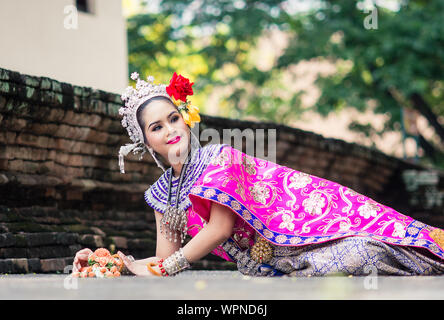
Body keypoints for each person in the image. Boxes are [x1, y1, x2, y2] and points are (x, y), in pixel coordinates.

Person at [73, 71, 444, 277]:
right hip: (271, 268)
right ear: (146, 143)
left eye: (173, 118)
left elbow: (217, 230)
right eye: (156, 128)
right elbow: (164, 257)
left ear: (185, 119)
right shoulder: (161, 196)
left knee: (361, 251)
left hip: (307, 242)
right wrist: (115, 265)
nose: (170, 130)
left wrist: (167, 267)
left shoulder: (219, 158)